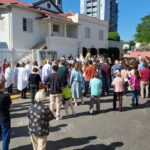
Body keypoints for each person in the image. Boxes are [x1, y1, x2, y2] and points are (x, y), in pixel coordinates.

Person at [0, 80, 12, 150]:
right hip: (5, 118)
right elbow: (10, 106)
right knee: (5, 135)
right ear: (2, 87)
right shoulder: (6, 96)